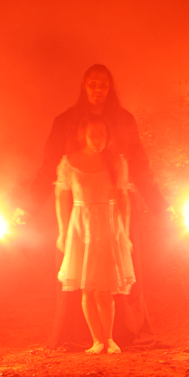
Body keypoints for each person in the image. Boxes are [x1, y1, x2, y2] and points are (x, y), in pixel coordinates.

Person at [36, 64, 163, 348]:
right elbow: (49, 171)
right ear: (84, 87)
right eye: (92, 84)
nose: (97, 90)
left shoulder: (123, 121)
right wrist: (25, 207)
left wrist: (161, 207)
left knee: (118, 272)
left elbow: (140, 167)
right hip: (80, 218)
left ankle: (123, 334)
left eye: (102, 84)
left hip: (114, 214)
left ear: (110, 88)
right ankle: (80, 337)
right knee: (80, 276)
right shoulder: (66, 122)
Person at [54, 116, 136, 353]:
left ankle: (108, 339)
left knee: (102, 289)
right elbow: (62, 197)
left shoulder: (116, 162)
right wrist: (62, 231)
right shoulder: (69, 162)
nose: (98, 139)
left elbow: (123, 199)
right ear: (84, 135)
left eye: (102, 134)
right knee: (87, 288)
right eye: (93, 134)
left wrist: (126, 234)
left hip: (108, 226)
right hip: (81, 225)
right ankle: (97, 341)